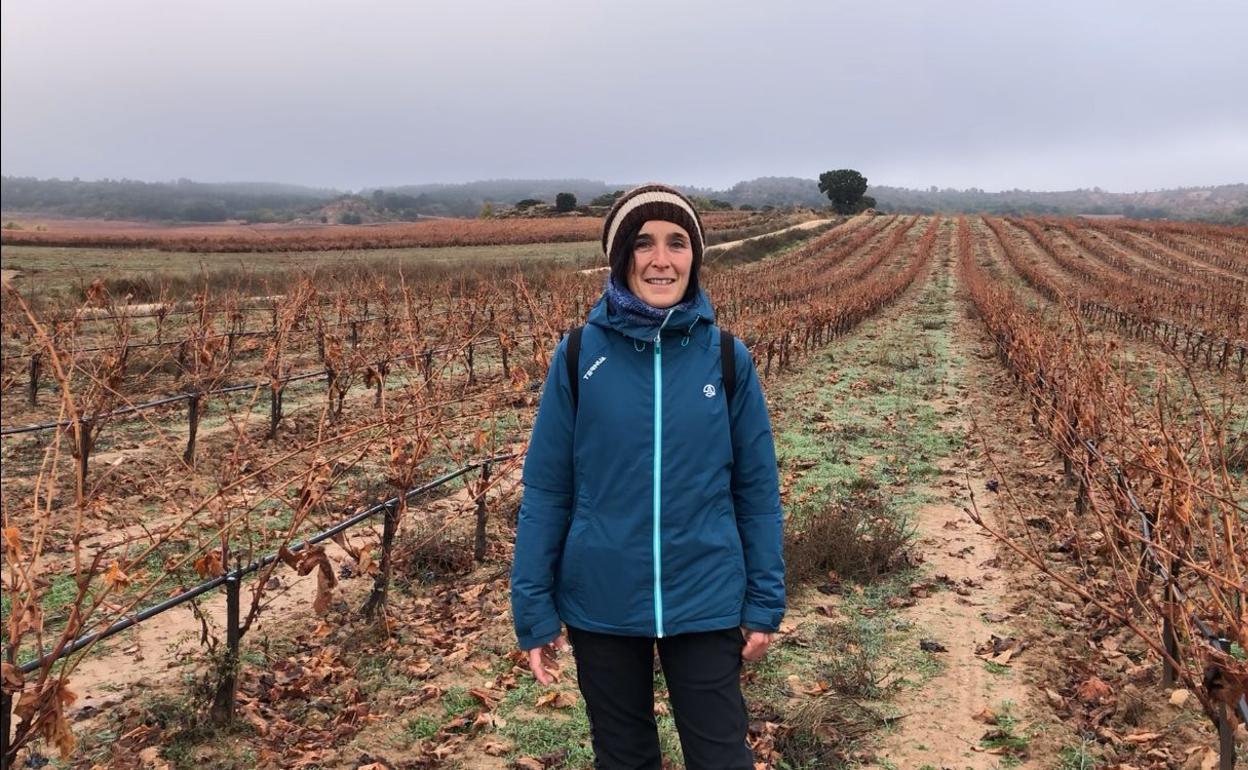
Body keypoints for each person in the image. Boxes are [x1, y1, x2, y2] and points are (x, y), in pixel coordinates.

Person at [511, 183, 785, 770]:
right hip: (601, 597)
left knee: (720, 757)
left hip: (706, 593)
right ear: (621, 258)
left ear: (695, 255)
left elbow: (757, 493)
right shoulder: (580, 354)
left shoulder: (728, 359)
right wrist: (532, 607)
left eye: (677, 242)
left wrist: (764, 598)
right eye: (644, 244)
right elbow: (547, 490)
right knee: (624, 757)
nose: (661, 259)